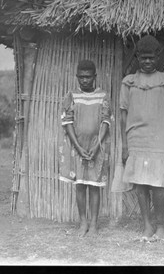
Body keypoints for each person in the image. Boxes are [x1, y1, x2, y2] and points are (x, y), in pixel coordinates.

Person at [120, 35, 164, 241]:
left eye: (151, 58)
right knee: (140, 184)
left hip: (159, 138)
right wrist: (125, 145)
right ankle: (146, 225)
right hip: (136, 138)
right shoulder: (129, 82)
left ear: (158, 57)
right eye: (143, 58)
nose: (147, 62)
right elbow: (123, 114)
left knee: (158, 184)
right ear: (136, 57)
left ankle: (160, 225)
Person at [59, 60, 111, 237]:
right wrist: (78, 147)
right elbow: (67, 122)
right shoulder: (71, 96)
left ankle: (94, 224)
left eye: (88, 77)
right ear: (77, 77)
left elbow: (105, 122)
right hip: (77, 148)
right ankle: (83, 223)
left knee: (94, 186)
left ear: (95, 77)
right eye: (81, 77)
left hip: (97, 147)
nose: (85, 81)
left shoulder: (103, 95)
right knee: (80, 186)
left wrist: (97, 146)